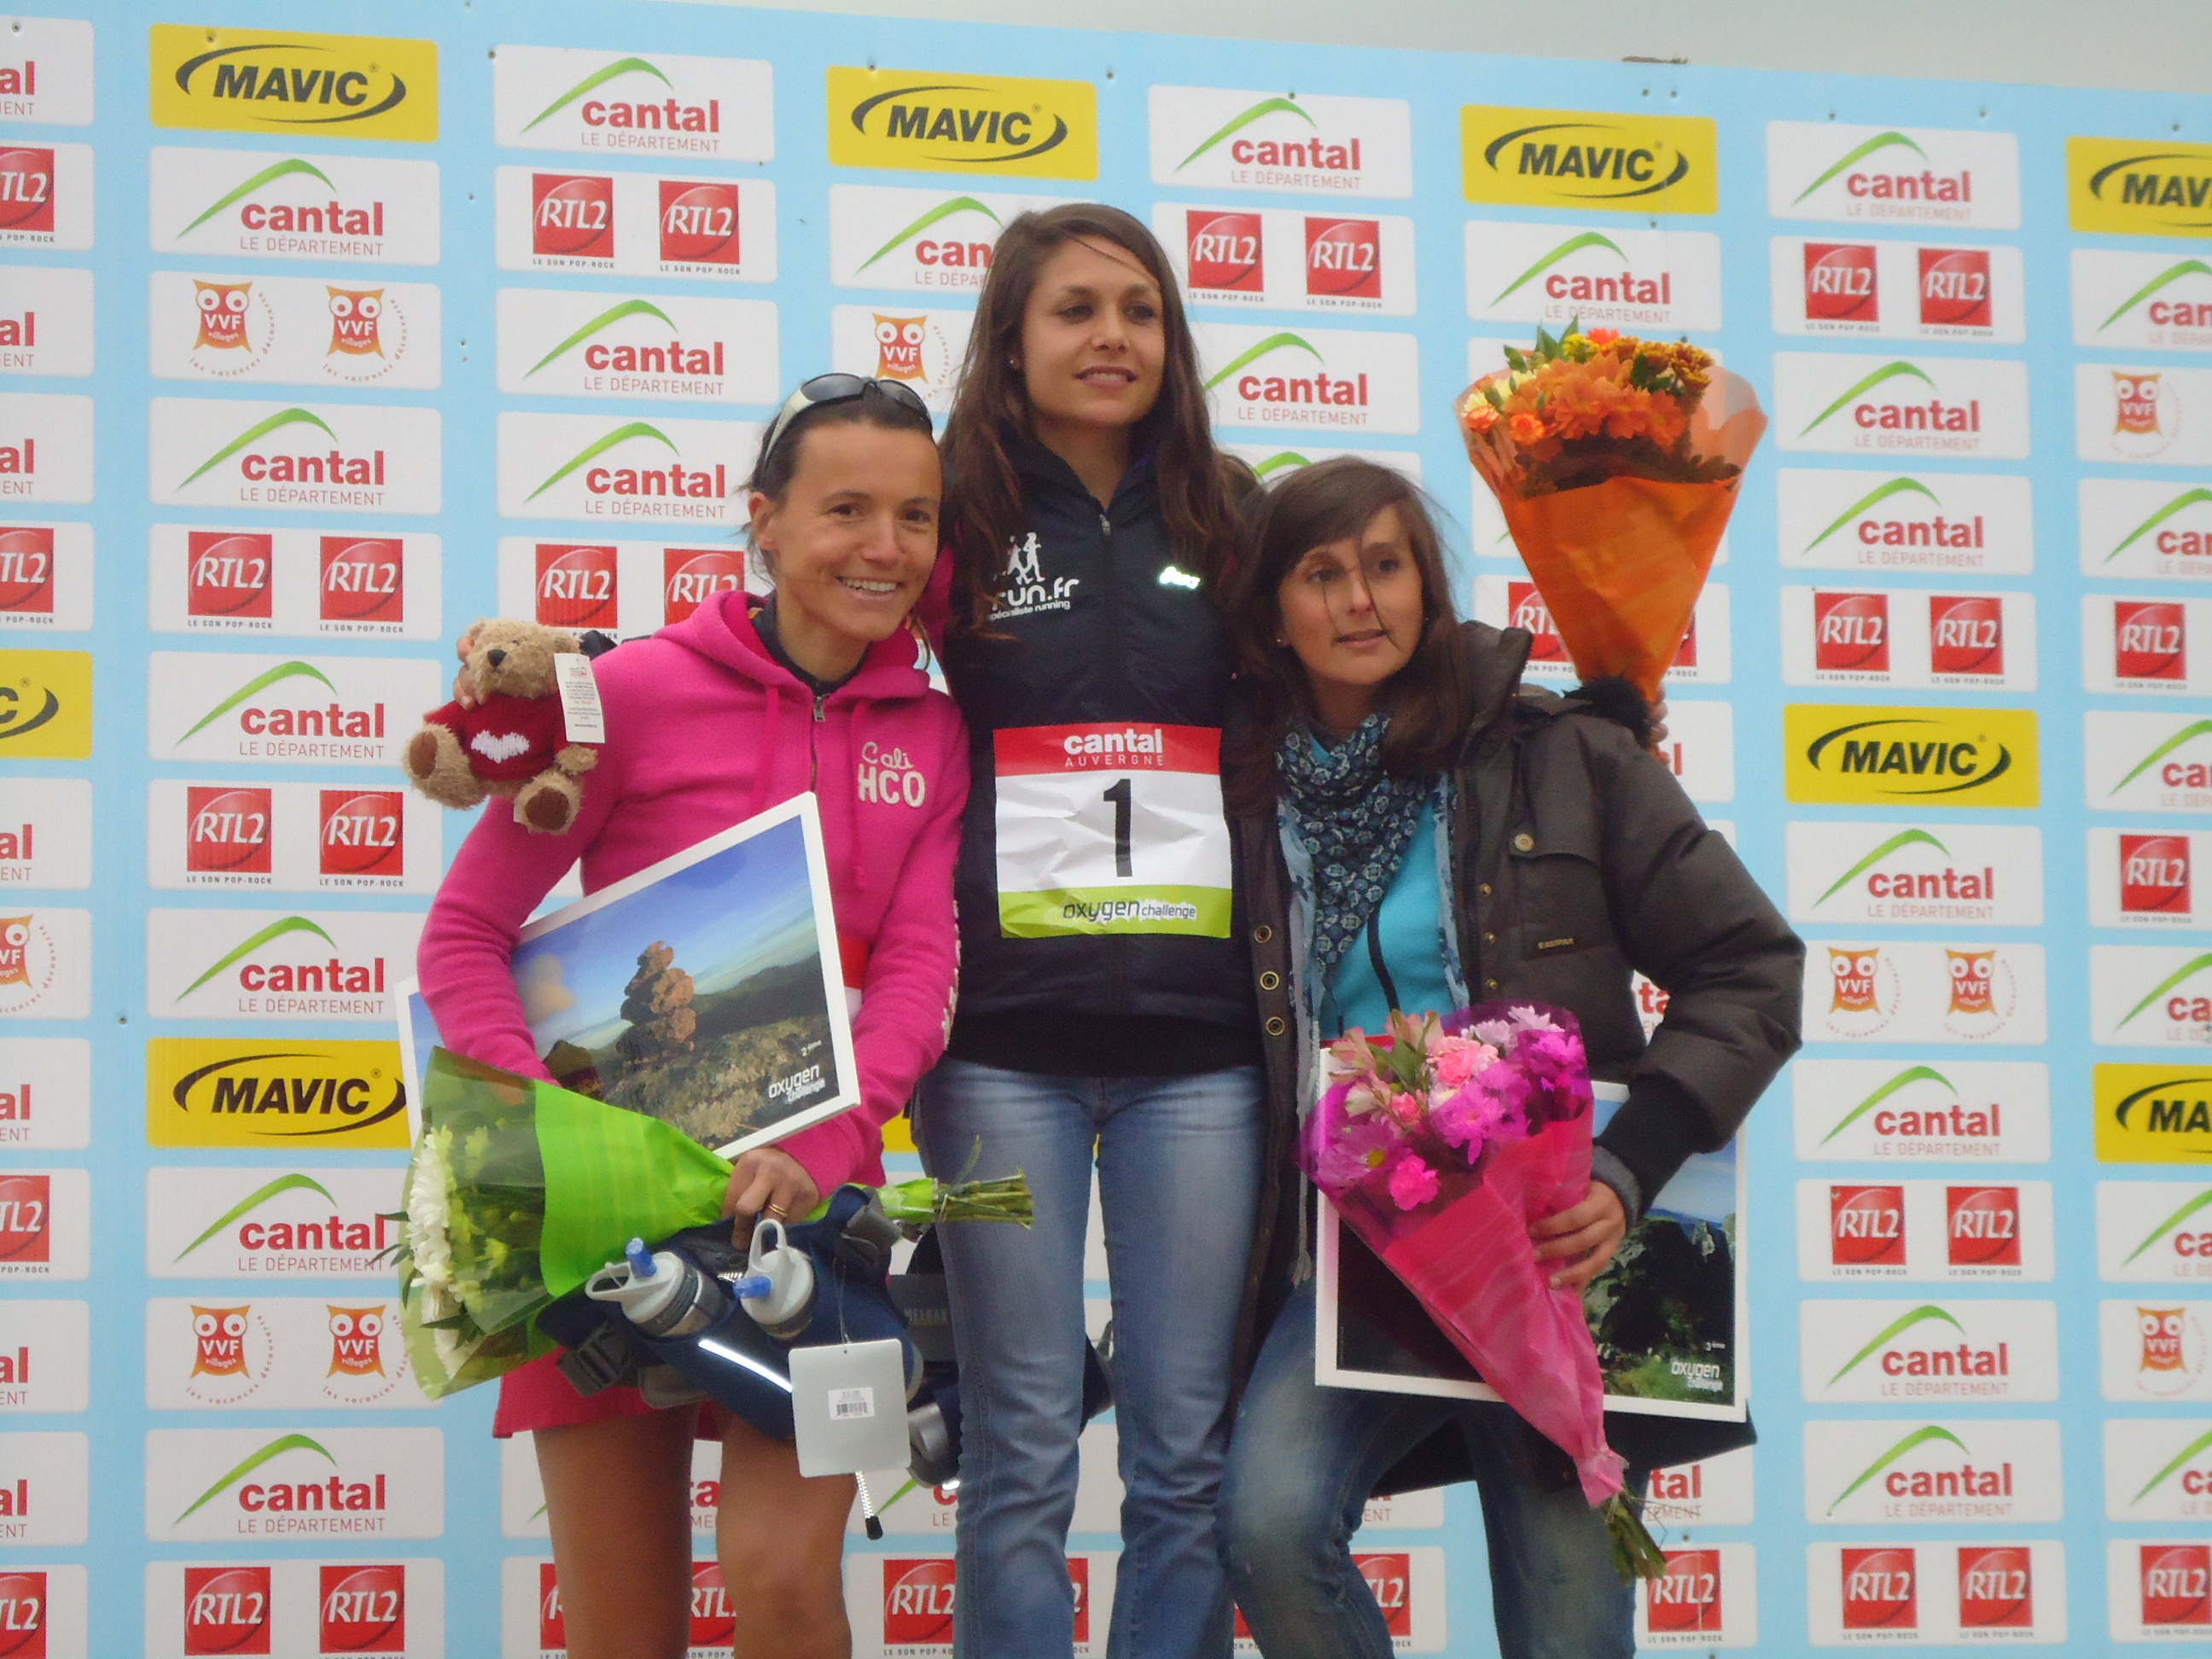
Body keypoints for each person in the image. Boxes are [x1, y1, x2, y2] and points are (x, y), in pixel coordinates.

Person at [1213, 457, 1802, 1659]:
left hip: (1556, 1251)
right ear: (1272, 613)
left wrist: (1628, 1171)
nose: (1360, 600)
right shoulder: (1239, 794)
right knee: (1268, 1529)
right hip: (1367, 1248)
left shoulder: (1561, 753)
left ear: (1427, 589)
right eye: (1321, 575)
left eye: (1386, 566)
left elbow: (1752, 966)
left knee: (1567, 1627)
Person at [416, 376, 966, 1659]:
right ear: (762, 521)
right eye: (845, 509)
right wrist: (553, 1137)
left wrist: (826, 1146)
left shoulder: (938, 731)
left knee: (782, 1586)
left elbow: (921, 972)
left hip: (811, 1209)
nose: (884, 547)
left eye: (916, 517)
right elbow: (464, 934)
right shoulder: (627, 693)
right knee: (624, 1632)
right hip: (599, 1211)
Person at [914, 202, 1261, 1659]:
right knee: (1020, 1443)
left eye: (1140, 309)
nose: (1113, 336)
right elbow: (803, 649)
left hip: (1204, 1062)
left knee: (1186, 1451)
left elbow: (1364, 677)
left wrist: (1589, 714)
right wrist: (588, 679)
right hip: (997, 1059)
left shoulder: (1231, 510)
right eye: (1075, 310)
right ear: (1011, 339)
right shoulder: (949, 508)